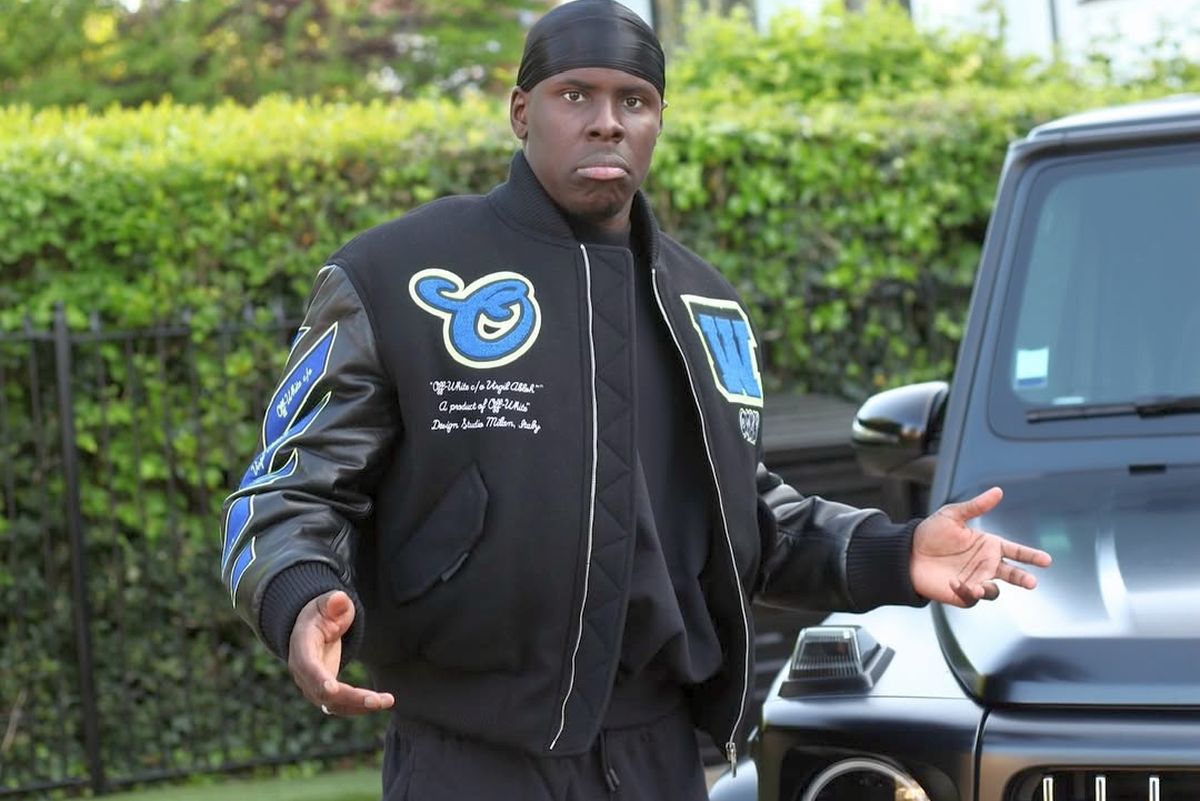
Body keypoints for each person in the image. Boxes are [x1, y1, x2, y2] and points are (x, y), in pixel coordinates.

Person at [218, 2, 1051, 798]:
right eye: (575, 94)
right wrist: (299, 597)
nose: (607, 122)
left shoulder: (706, 304)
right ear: (520, 112)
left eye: (634, 100)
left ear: (657, 121)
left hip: (659, 758)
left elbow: (744, 516)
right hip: (468, 758)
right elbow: (287, 490)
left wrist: (896, 552)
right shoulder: (392, 275)